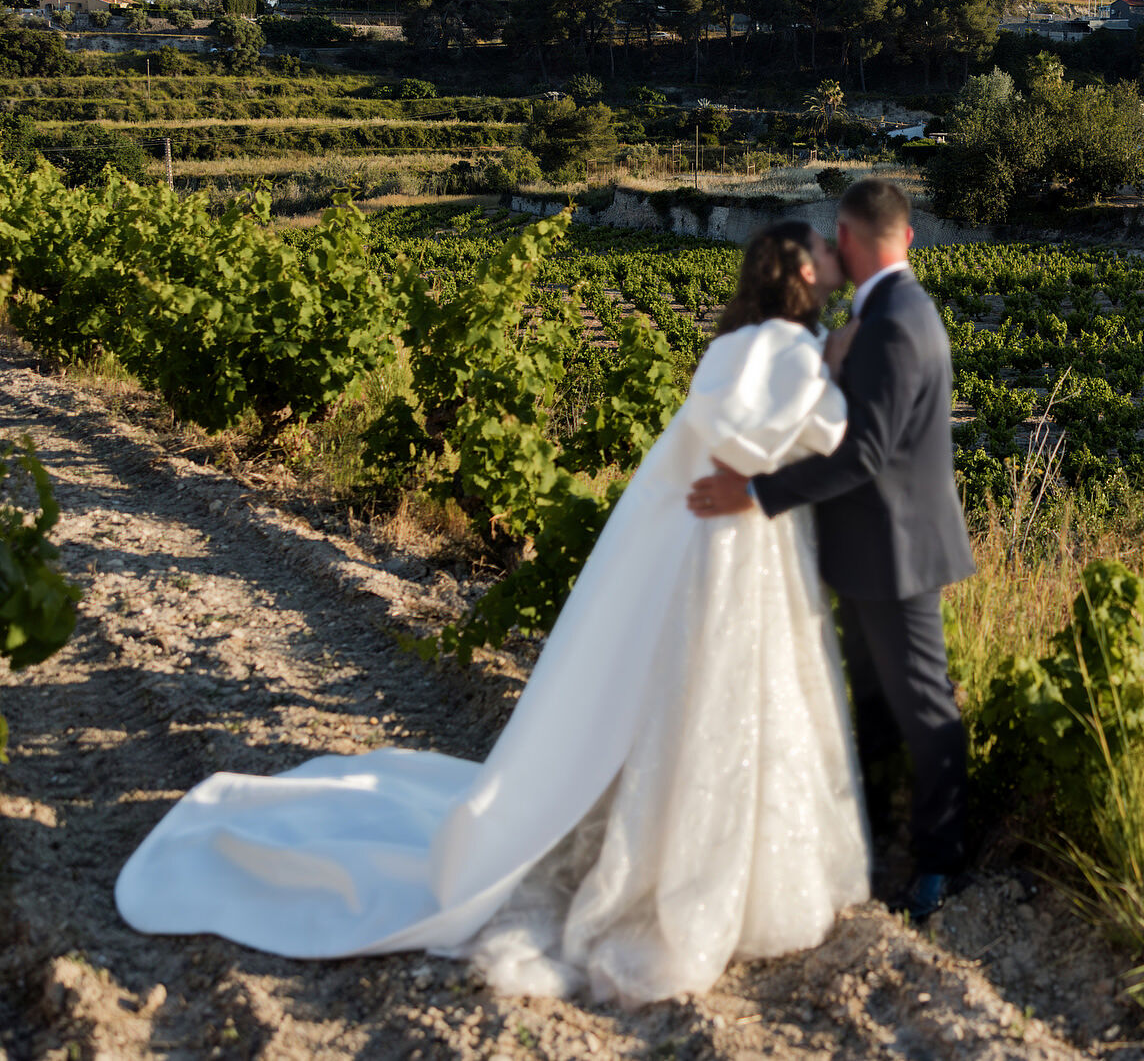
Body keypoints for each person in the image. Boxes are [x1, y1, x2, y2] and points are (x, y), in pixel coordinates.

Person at [117, 222, 871, 1005]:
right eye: (819, 248)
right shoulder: (779, 347)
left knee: (710, 689)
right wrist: (833, 370)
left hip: (722, 539)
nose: (830, 256)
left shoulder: (747, 342)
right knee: (726, 689)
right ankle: (699, 864)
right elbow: (802, 433)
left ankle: (684, 838)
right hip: (731, 547)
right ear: (795, 270)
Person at [690, 179, 975, 921]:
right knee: (877, 704)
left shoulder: (891, 321)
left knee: (924, 706)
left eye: (830, 240)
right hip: (870, 549)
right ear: (907, 237)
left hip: (896, 553)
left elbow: (868, 452)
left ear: (847, 239)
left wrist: (753, 495)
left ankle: (943, 864)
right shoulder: (883, 312)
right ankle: (873, 840)